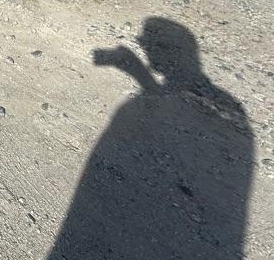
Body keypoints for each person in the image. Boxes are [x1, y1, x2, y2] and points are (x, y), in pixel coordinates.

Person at [48, 17, 254, 259]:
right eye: (147, 43)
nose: (145, 47)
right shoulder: (226, 109)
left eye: (148, 43)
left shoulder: (222, 112)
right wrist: (138, 73)